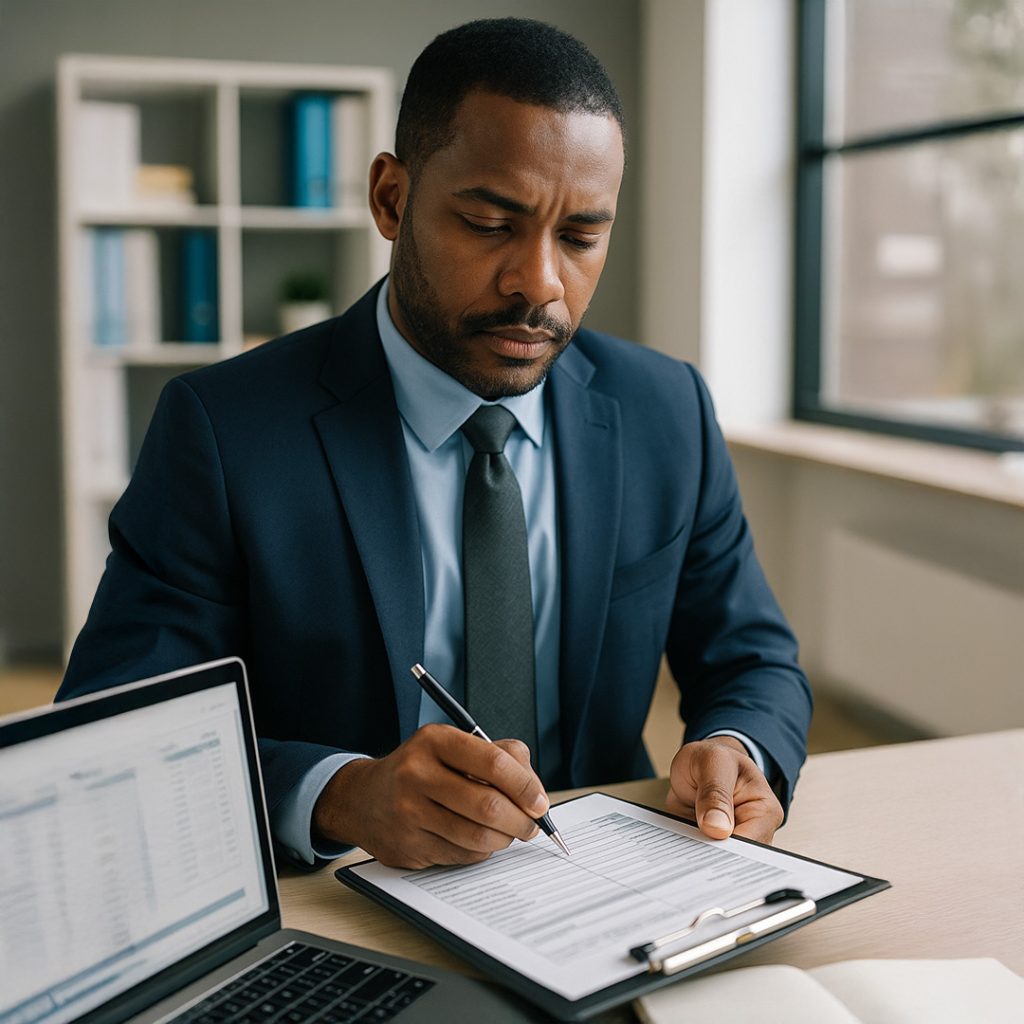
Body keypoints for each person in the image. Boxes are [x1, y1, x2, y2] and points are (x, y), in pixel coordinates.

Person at [58, 18, 812, 871]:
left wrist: (738, 746)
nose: (540, 282)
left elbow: (752, 657)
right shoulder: (222, 428)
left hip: (603, 886)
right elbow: (112, 733)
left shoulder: (663, 408)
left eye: (580, 237)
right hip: (342, 896)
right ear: (391, 199)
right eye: (491, 223)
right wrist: (342, 794)